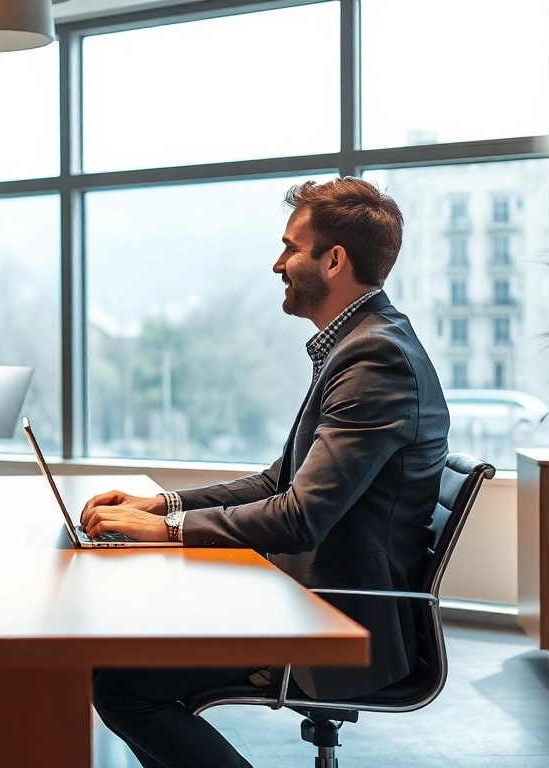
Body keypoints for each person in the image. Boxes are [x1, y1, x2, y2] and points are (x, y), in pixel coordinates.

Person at [80, 178, 450, 768]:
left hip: (336, 619)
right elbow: (278, 482)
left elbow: (301, 516)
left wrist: (167, 532)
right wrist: (163, 506)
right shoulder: (355, 345)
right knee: (132, 647)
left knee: (123, 682)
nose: (277, 264)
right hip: (306, 596)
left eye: (290, 249)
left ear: (334, 260)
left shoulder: (374, 359)